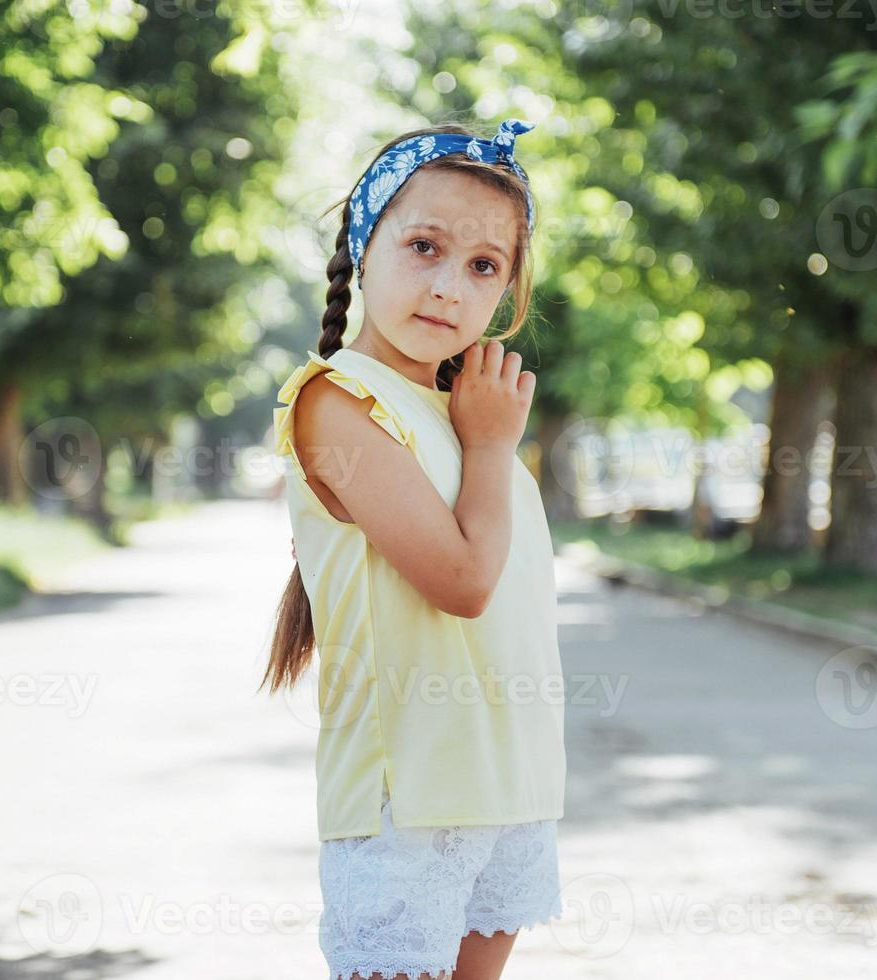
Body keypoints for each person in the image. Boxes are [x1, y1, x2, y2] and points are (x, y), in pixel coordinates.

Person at [259, 119, 566, 980]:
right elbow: (464, 583)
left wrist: (483, 443)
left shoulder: (460, 410)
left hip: (509, 780)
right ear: (364, 245)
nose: (448, 289)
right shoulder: (336, 401)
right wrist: (493, 450)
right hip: (412, 798)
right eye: (424, 246)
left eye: (483, 267)